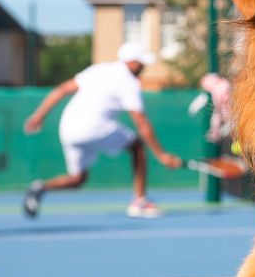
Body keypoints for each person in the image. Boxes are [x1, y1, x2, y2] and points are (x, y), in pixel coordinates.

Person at [22, 42, 182, 218]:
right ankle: (140, 201)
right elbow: (141, 122)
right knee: (137, 146)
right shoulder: (129, 81)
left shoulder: (97, 69)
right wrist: (161, 155)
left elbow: (62, 89)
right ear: (132, 62)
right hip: (93, 126)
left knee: (77, 179)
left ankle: (40, 187)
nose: (143, 67)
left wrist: (38, 116)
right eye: (141, 63)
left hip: (68, 127)